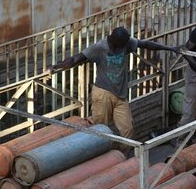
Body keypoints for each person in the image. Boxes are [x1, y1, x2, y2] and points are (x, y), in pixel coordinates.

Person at [47, 26, 177, 140]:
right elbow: (76, 58)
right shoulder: (99, 48)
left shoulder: (126, 42)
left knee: (128, 130)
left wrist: (169, 48)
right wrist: (55, 66)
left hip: (120, 96)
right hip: (103, 93)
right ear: (115, 42)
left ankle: (121, 157)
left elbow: (146, 45)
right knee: (99, 130)